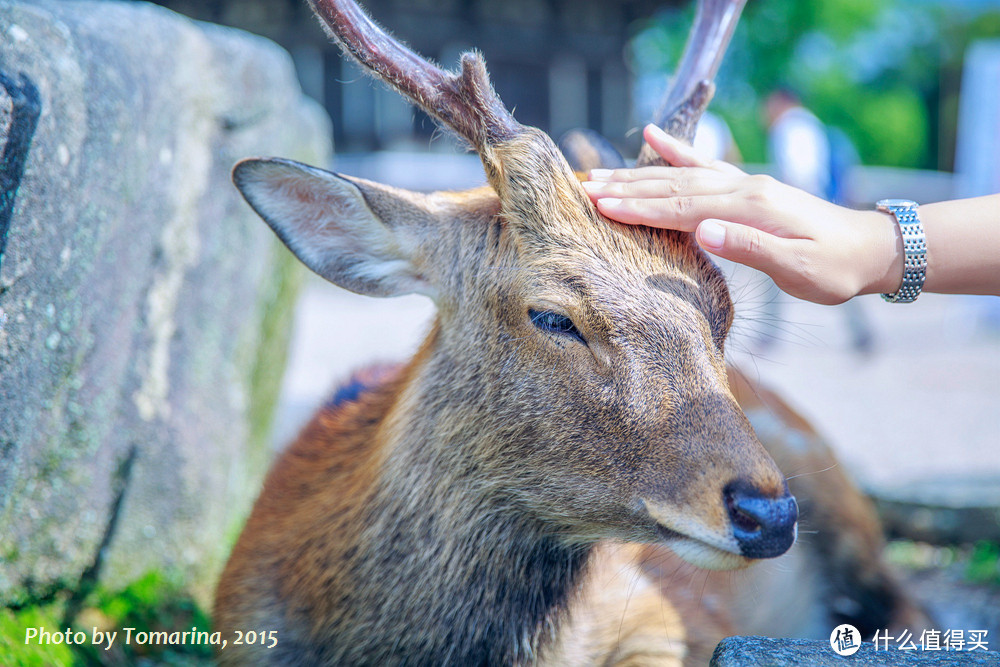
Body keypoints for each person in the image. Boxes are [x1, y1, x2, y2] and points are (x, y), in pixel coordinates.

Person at [581, 123, 1000, 304]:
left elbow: (800, 171)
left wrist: (867, 247)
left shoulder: (791, 128)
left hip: (811, 205)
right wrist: (864, 246)